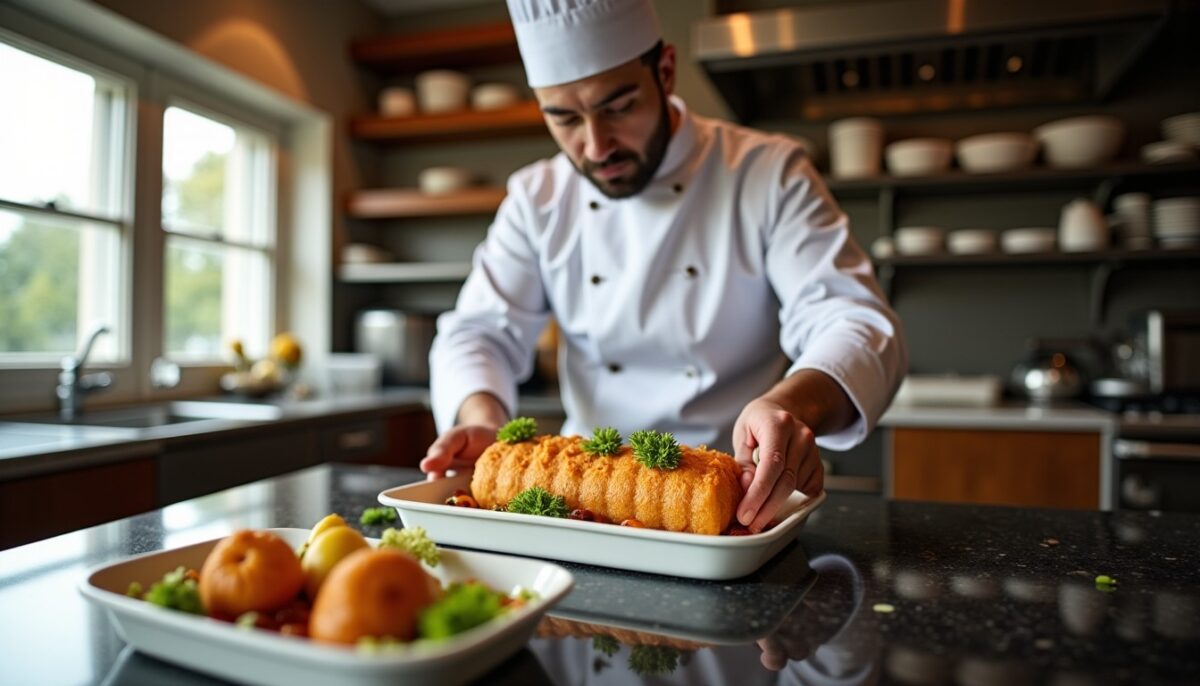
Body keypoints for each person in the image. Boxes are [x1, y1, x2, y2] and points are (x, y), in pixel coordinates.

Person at [420, 0, 907, 532]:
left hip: (737, 500)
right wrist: (481, 417)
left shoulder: (767, 172)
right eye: (563, 118)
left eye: (619, 106)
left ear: (665, 72)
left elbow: (855, 319)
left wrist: (792, 405)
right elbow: (478, 331)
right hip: (582, 508)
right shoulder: (538, 196)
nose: (596, 145)